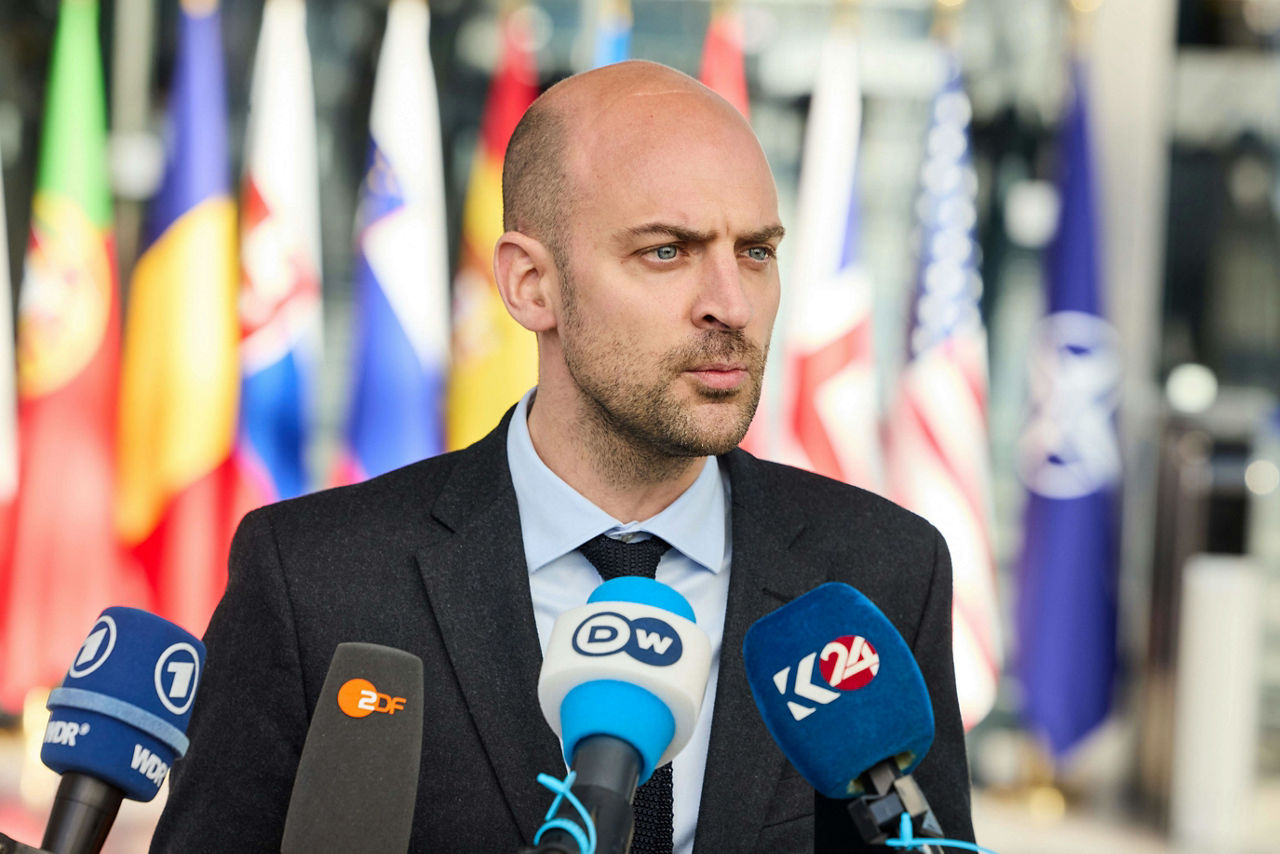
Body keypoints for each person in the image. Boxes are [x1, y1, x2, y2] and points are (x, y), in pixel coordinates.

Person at [151, 60, 974, 854]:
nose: (731, 304)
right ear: (529, 286)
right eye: (667, 251)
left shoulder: (882, 575)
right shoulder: (314, 579)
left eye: (755, 251)